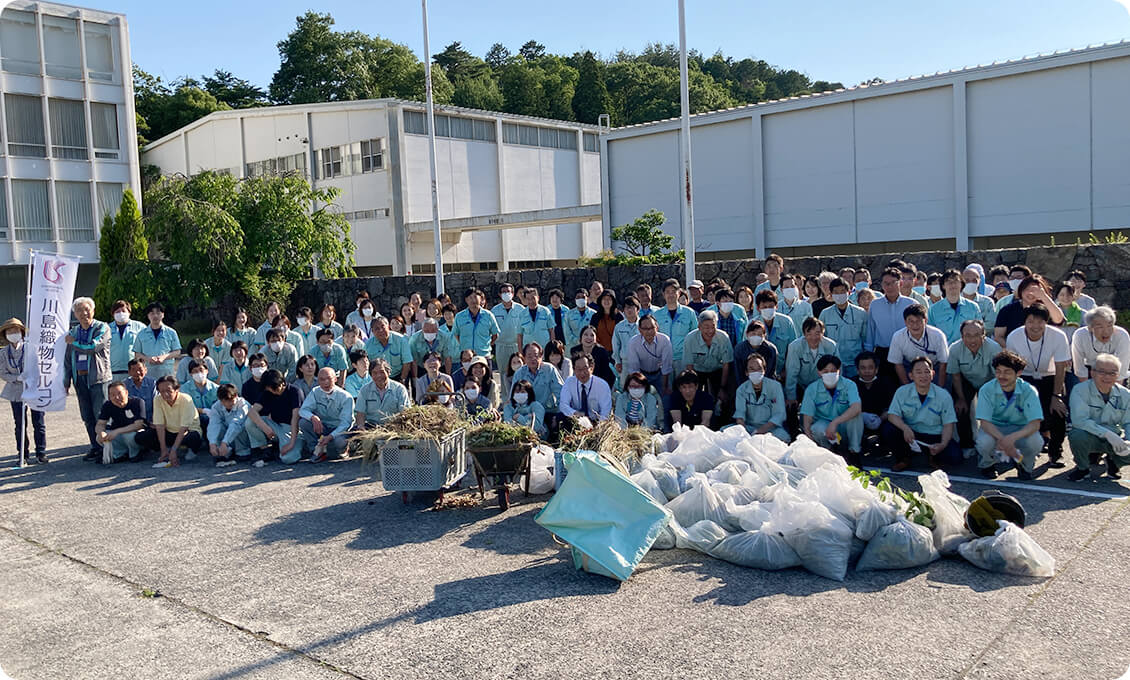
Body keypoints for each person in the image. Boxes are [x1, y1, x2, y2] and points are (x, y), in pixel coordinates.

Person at [1005, 303, 1070, 467]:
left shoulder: (1058, 336)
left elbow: (1061, 366)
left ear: (1046, 322)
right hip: (1024, 378)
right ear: (1024, 322)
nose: (1035, 326)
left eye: (1040, 322)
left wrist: (1057, 396)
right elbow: (1012, 368)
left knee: (1058, 411)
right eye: (1031, 321)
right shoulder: (1014, 336)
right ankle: (1020, 450)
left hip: (1050, 376)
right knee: (1018, 411)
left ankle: (1056, 453)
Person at [975, 350, 1045, 479]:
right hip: (995, 428)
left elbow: (1035, 424)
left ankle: (1024, 466)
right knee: (984, 442)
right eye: (998, 371)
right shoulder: (986, 389)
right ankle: (987, 465)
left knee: (1036, 441)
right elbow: (984, 422)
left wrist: (1011, 438)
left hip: (1020, 429)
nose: (1002, 376)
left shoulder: (1029, 390)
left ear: (1018, 373)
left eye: (1007, 372)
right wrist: (1003, 439)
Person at [883, 356, 960, 471]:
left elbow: (948, 424)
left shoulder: (943, 395)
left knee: (955, 458)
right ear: (911, 376)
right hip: (911, 434)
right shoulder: (902, 392)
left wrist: (943, 444)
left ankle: (932, 456)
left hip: (934, 435)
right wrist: (905, 428)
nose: (923, 376)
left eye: (926, 372)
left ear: (933, 374)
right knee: (889, 429)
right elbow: (892, 415)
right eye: (918, 372)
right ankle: (904, 458)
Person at [1067, 353, 1129, 481]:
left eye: (1112, 373)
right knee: (1077, 435)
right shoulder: (1079, 390)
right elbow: (1080, 421)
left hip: (1115, 437)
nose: (1107, 377)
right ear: (1092, 372)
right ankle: (1083, 468)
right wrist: (1107, 434)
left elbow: (1128, 422)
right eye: (1102, 372)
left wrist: (1128, 441)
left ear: (1118, 375)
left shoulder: (1125, 394)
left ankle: (1114, 463)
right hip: (1089, 435)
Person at [64, 297, 112, 461]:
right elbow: (67, 358)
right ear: (75, 314)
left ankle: (105, 448)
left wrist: (74, 342)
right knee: (87, 415)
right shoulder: (73, 331)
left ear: (93, 310)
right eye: (79, 311)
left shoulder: (102, 327)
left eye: (87, 309)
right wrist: (66, 381)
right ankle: (95, 446)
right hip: (80, 379)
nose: (84, 313)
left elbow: (93, 347)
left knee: (101, 414)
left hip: (98, 378)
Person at [947, 319, 1003, 456]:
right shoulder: (954, 349)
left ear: (984, 335)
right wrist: (960, 398)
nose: (972, 339)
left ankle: (997, 444)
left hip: (990, 381)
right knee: (961, 408)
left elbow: (999, 377)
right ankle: (967, 444)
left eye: (977, 335)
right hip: (966, 381)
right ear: (962, 336)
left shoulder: (994, 348)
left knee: (996, 410)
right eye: (968, 335)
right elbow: (955, 376)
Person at [799, 355, 863, 464]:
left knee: (856, 417)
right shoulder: (812, 389)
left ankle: (854, 453)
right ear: (819, 373)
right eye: (826, 371)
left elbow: (856, 407)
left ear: (839, 370)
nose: (830, 374)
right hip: (826, 428)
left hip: (844, 425)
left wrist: (835, 422)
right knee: (817, 428)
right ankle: (829, 451)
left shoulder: (849, 385)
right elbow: (807, 417)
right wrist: (810, 440)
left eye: (833, 370)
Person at [1, 318, 46, 464]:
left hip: (34, 389)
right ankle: (23, 454)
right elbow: (2, 373)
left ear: (21, 332)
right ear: (6, 335)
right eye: (10, 331)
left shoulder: (31, 348)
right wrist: (17, 378)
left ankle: (41, 452)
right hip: (15, 391)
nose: (13, 334)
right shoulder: (3, 353)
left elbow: (40, 367)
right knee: (20, 424)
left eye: (15, 331)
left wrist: (32, 377)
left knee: (38, 422)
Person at [137, 376, 204, 468]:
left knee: (193, 437)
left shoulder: (186, 399)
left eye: (169, 390)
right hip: (169, 431)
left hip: (186, 431)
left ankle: (180, 449)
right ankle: (166, 450)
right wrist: (163, 449)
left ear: (177, 389)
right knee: (141, 437)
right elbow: (160, 425)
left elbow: (184, 428)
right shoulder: (158, 399)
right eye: (162, 391)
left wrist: (174, 450)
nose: (165, 394)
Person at [865, 268, 915, 382]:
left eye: (893, 283)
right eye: (886, 283)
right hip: (883, 354)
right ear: (882, 285)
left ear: (900, 283)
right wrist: (868, 355)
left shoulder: (911, 304)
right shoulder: (875, 305)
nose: (890, 287)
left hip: (906, 353)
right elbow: (871, 331)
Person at [243, 369, 302, 466]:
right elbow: (252, 412)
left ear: (282, 383)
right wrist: (264, 427)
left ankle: (291, 446)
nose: (272, 391)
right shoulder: (268, 392)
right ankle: (264, 449)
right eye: (269, 388)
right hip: (274, 424)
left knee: (288, 459)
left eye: (274, 388)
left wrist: (291, 443)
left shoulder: (295, 391)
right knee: (250, 422)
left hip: (291, 428)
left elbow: (295, 419)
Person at [298, 367, 355, 463]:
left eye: (329, 378)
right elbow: (303, 410)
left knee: (338, 443)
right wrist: (313, 417)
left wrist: (330, 437)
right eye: (321, 379)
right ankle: (315, 450)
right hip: (323, 427)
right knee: (304, 422)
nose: (325, 382)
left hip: (340, 430)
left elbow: (345, 424)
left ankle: (344, 449)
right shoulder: (315, 392)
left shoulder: (346, 397)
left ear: (335, 379)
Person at [785, 317, 839, 410]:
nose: (813, 338)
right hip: (801, 384)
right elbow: (791, 373)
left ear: (823, 333)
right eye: (809, 334)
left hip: (823, 386)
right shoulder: (795, 347)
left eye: (817, 333)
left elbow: (838, 371)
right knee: (791, 408)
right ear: (804, 334)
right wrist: (791, 397)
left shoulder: (831, 346)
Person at [888, 304, 948, 385]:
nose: (915, 325)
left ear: (926, 320)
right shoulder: (898, 337)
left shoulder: (938, 335)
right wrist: (907, 388)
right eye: (911, 321)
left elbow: (943, 363)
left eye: (919, 321)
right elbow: (898, 364)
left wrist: (940, 389)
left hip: (934, 367)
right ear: (905, 322)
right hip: (910, 366)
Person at [733, 354, 789, 442]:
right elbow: (740, 416)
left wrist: (759, 432)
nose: (756, 372)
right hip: (749, 428)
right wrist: (744, 434)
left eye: (759, 369)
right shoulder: (741, 389)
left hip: (771, 429)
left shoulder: (775, 386)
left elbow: (779, 414)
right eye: (751, 369)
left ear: (764, 370)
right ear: (746, 372)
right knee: (725, 431)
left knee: (783, 437)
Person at [819, 277, 867, 378]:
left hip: (855, 363)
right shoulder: (825, 314)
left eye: (842, 291)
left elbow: (865, 338)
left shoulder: (861, 313)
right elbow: (822, 339)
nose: (839, 294)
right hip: (833, 364)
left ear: (849, 292)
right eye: (836, 292)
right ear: (831, 295)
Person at [682, 310, 734, 403]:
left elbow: (726, 364)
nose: (710, 331)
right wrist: (694, 388)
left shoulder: (723, 337)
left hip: (717, 370)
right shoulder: (690, 339)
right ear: (699, 327)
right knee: (697, 398)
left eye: (713, 327)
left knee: (724, 397)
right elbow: (689, 366)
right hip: (697, 371)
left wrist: (722, 388)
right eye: (706, 327)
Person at [994, 275, 1065, 342]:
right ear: (1021, 290)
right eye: (1027, 289)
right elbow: (998, 336)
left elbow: (1058, 319)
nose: (1030, 293)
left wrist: (1044, 296)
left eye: (1034, 290)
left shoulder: (1046, 309)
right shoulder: (1007, 310)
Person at [1071, 306, 1130, 382]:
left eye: (1109, 326)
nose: (1106, 332)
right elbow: (1079, 368)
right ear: (1090, 328)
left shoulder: (1122, 335)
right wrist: (1086, 390)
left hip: (1114, 373)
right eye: (1100, 327)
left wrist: (1115, 392)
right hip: (1090, 370)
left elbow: (1122, 369)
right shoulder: (1080, 335)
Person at [853, 351, 895, 453]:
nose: (867, 371)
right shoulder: (851, 384)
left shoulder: (887, 383)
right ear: (857, 370)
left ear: (876, 369)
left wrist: (880, 419)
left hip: (882, 420)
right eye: (863, 368)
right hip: (859, 420)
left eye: (870, 367)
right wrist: (862, 416)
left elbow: (894, 407)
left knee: (891, 428)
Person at [95, 381, 147, 463]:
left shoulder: (137, 402)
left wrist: (117, 431)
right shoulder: (107, 405)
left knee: (130, 437)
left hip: (134, 432)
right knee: (99, 438)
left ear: (126, 393)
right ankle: (119, 454)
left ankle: (135, 453)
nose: (116, 397)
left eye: (119, 393)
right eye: (112, 395)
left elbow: (139, 425)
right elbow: (100, 424)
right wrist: (101, 433)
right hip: (117, 433)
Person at [353, 358, 412, 429]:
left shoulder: (399, 389)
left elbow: (404, 412)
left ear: (388, 372)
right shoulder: (364, 390)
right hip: (371, 427)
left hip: (394, 427)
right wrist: (361, 427)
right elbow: (360, 414)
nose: (379, 376)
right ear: (370, 375)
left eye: (382, 372)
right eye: (375, 373)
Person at [204, 383, 252, 467]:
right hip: (226, 438)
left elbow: (236, 423)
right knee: (217, 427)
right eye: (224, 401)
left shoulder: (243, 405)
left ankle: (242, 451)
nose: (228, 404)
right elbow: (214, 424)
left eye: (231, 400)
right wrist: (212, 443)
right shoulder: (216, 407)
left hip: (241, 437)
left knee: (240, 426)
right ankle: (222, 452)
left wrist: (225, 443)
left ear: (236, 396)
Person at [622, 315, 673, 394]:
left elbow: (666, 366)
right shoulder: (633, 342)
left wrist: (665, 387)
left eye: (652, 328)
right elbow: (634, 368)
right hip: (641, 375)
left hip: (660, 374)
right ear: (639, 330)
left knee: (667, 398)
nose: (649, 331)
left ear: (657, 328)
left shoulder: (665, 340)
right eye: (645, 328)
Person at [929, 269, 982, 343]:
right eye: (948, 282)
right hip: (944, 350)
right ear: (943, 286)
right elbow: (930, 334)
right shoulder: (934, 309)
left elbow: (980, 331)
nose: (953, 285)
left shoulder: (973, 307)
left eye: (956, 281)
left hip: (967, 349)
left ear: (961, 284)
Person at [512, 343, 564, 418]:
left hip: (548, 411)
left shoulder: (549, 369)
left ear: (541, 356)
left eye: (536, 355)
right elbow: (512, 397)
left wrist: (560, 414)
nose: (533, 359)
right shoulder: (519, 373)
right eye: (529, 356)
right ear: (524, 358)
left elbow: (560, 392)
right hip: (526, 413)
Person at [132, 302, 181, 379]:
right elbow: (137, 353)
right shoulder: (141, 334)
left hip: (166, 372)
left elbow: (177, 351)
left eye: (158, 313)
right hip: (148, 372)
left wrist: (164, 357)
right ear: (148, 316)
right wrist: (148, 359)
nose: (155, 316)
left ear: (163, 314)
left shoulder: (171, 332)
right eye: (152, 313)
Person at [560, 353, 613, 423]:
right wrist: (575, 414)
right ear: (574, 370)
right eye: (578, 369)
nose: (582, 373)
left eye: (585, 368)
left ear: (592, 368)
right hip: (576, 419)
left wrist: (598, 428)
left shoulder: (602, 385)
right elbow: (563, 405)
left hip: (596, 421)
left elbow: (605, 411)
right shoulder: (569, 382)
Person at [754, 290, 798, 372]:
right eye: (764, 307)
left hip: (782, 371)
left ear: (776, 306)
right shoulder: (752, 325)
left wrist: (786, 371)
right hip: (759, 372)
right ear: (758, 308)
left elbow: (793, 350)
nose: (768, 309)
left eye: (771, 306)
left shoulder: (787, 322)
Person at [453, 288, 500, 361]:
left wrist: (485, 345)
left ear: (481, 299)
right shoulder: (459, 316)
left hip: (484, 355)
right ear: (466, 300)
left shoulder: (488, 315)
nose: (473, 300)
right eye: (470, 298)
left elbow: (495, 335)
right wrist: (464, 345)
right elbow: (456, 334)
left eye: (475, 297)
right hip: (467, 356)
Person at [365, 316, 412, 386]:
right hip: (378, 378)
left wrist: (402, 379)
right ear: (372, 331)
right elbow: (366, 364)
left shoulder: (401, 340)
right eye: (377, 329)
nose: (381, 330)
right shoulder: (368, 345)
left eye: (383, 327)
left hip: (399, 376)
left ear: (388, 326)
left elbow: (407, 362)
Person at [181, 359, 220, 439]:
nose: (199, 373)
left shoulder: (216, 388)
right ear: (191, 374)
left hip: (212, 419)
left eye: (201, 370)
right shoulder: (184, 388)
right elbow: (184, 408)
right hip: (192, 419)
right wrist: (203, 411)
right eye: (195, 371)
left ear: (207, 371)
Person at [108, 300, 145, 381]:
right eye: (117, 311)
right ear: (113, 314)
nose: (121, 313)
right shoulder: (107, 328)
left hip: (134, 371)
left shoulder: (140, 327)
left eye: (123, 311)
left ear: (129, 312)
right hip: (112, 372)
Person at [492, 283, 524, 371]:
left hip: (516, 346)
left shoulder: (520, 309)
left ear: (513, 294)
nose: (506, 294)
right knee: (503, 372)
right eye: (503, 292)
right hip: (501, 346)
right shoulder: (494, 310)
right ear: (499, 294)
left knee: (518, 371)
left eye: (508, 292)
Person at [517, 287, 555, 354]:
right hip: (529, 351)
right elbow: (519, 335)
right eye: (528, 299)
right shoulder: (522, 314)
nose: (531, 301)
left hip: (544, 350)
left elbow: (551, 331)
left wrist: (552, 348)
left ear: (538, 298)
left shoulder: (545, 311)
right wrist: (520, 352)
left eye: (533, 298)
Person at [125, 358, 157, 423]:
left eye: (140, 369)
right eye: (134, 370)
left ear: (145, 370)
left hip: (150, 420)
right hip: (131, 422)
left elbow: (157, 405)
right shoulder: (124, 385)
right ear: (129, 372)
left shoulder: (152, 383)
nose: (138, 372)